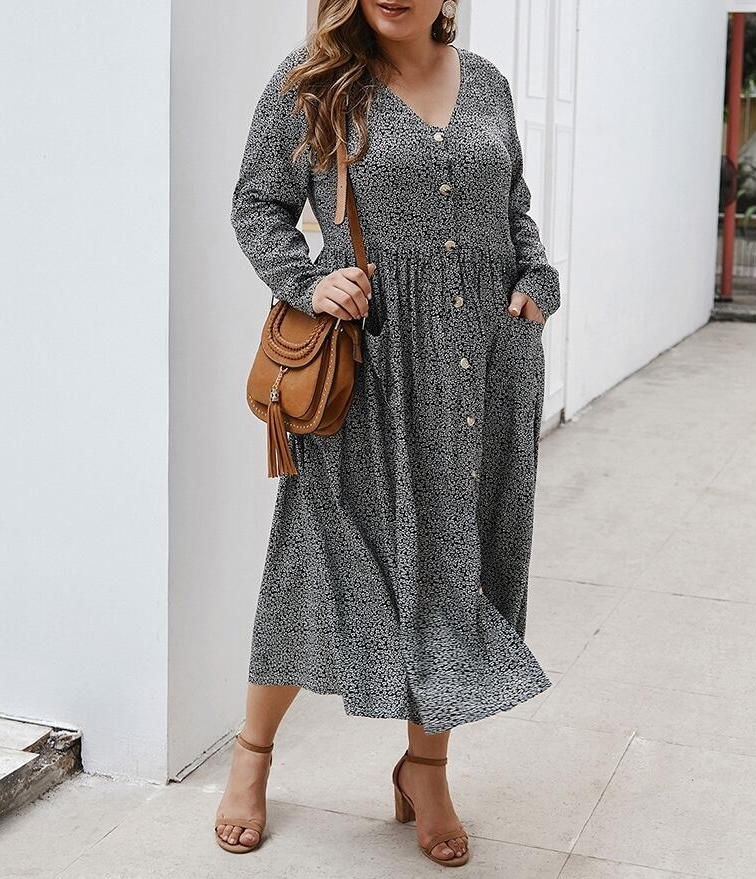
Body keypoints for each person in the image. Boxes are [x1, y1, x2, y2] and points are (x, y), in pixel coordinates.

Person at [217, 0, 560, 867]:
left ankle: (426, 769)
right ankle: (252, 753)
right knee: (315, 564)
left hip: (486, 369)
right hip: (369, 370)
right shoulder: (315, 84)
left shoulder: (488, 85)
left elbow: (513, 208)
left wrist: (536, 278)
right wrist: (306, 282)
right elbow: (258, 204)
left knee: (456, 568)